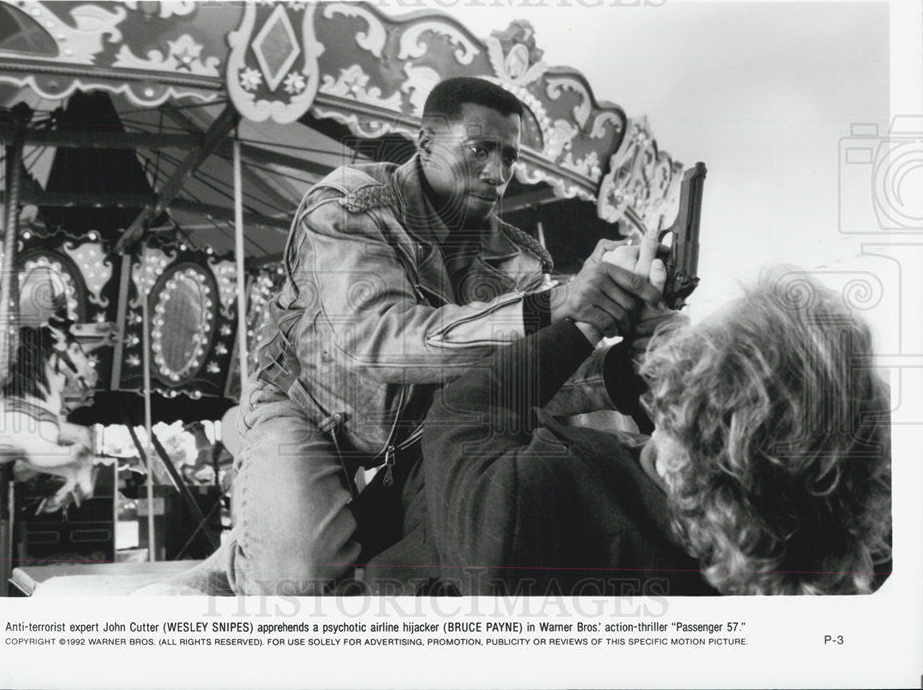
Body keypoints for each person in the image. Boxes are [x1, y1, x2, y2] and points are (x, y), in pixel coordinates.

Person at [227, 77, 665, 594]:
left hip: (415, 434)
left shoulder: (519, 258)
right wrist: (553, 306)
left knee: (461, 555)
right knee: (297, 580)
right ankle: (242, 561)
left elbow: (519, 378)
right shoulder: (349, 205)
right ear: (426, 143)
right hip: (308, 409)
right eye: (481, 151)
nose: (498, 174)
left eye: (509, 157)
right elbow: (376, 339)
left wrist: (615, 350)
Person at [366, 254, 892, 596]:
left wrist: (584, 322)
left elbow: (466, 412)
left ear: (690, 412)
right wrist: (670, 351)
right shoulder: (780, 557)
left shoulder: (529, 508)